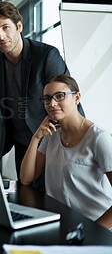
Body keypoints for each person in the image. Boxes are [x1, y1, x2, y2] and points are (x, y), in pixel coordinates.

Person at [0, 1, 84, 185]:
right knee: (27, 192)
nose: (1, 36)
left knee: (55, 195)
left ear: (18, 26)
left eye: (6, 28)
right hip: (22, 142)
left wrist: (81, 142)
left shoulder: (46, 56)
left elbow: (65, 98)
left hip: (51, 141)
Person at [20, 75, 112, 230]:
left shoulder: (99, 138)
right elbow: (26, 178)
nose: (52, 103)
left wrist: (93, 232)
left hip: (95, 228)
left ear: (77, 98)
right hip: (62, 225)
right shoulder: (52, 135)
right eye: (47, 98)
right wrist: (36, 137)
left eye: (60, 96)